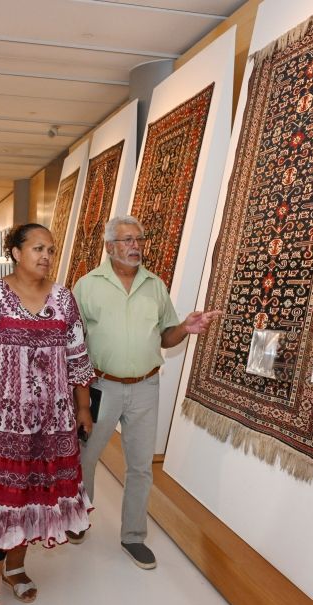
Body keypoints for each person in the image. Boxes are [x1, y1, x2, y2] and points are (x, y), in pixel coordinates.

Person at [0, 223, 94, 605]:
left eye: (51, 249)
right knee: (1, 501)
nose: (46, 255)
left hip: (53, 423)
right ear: (14, 252)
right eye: (37, 248)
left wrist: (83, 407)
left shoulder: (64, 299)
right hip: (0, 424)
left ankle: (16, 570)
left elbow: (78, 357)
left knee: (34, 496)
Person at [71, 215, 220, 570]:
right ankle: (77, 519)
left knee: (140, 467)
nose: (135, 245)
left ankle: (133, 536)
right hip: (99, 387)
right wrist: (77, 398)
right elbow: (72, 342)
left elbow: (166, 337)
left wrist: (185, 327)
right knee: (85, 458)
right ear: (109, 247)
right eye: (126, 240)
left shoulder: (155, 285)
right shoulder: (87, 286)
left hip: (145, 388)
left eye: (138, 239)